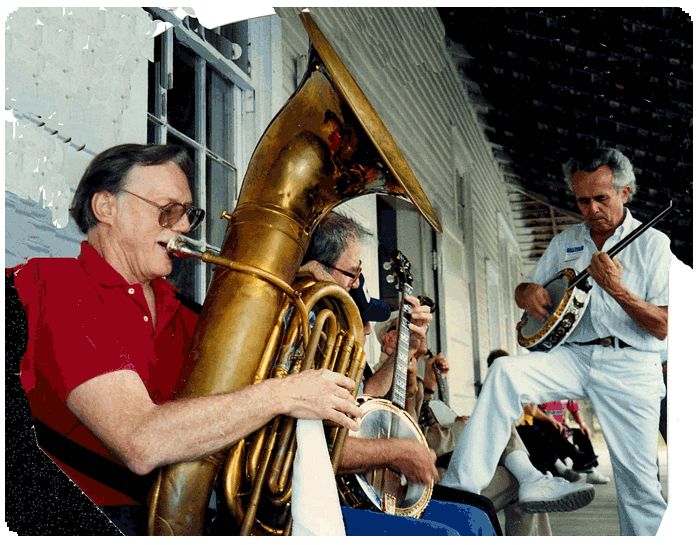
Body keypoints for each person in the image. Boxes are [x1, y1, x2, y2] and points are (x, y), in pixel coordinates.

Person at [8, 144, 363, 535]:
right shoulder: (59, 287)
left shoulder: (182, 311)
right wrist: (285, 394)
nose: (183, 227)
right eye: (168, 211)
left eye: (188, 214)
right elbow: (140, 441)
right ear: (106, 207)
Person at [441, 148, 671, 535]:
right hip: (574, 356)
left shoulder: (654, 245)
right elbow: (529, 291)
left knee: (639, 487)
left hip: (630, 364)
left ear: (625, 193)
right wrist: (525, 292)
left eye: (602, 198)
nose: (592, 208)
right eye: (583, 200)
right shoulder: (566, 242)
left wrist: (617, 290)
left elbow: (664, 325)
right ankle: (459, 489)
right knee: (505, 372)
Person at [299, 212, 498, 536]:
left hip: (350, 482)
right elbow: (312, 445)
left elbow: (364, 397)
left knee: (474, 519)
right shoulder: (302, 324)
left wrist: (407, 350)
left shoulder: (330, 324)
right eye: (352, 272)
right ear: (315, 266)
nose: (357, 283)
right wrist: (397, 451)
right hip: (313, 496)